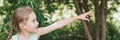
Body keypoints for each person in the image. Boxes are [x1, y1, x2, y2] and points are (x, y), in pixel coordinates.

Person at [7, 6, 92, 40]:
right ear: (22, 26)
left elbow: (57, 24)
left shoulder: (36, 33)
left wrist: (77, 17)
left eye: (36, 20)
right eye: (33, 21)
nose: (37, 23)